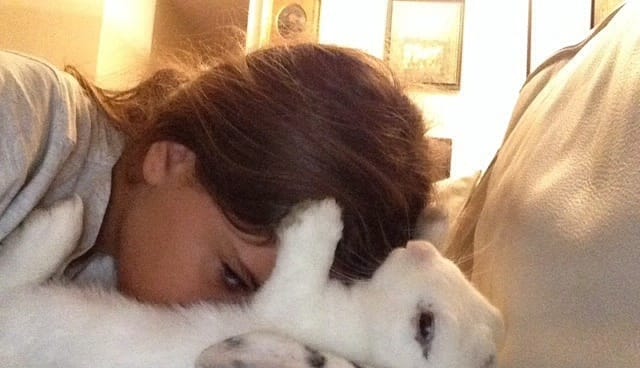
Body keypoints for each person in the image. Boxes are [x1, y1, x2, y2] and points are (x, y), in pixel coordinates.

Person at [0, 43, 436, 305]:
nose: (224, 331)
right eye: (232, 277)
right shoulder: (23, 119)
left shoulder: (129, 255)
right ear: (172, 158)